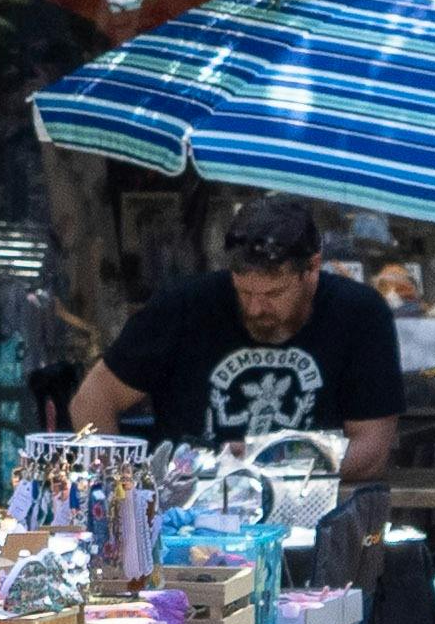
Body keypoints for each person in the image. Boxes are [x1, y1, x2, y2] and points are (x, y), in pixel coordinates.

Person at [69, 194, 406, 475]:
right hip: (192, 513)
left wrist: (269, 462)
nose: (256, 308)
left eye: (273, 294)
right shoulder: (185, 306)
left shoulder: (359, 314)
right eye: (245, 292)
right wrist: (120, 489)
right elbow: (92, 399)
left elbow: (371, 450)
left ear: (313, 268)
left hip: (313, 504)